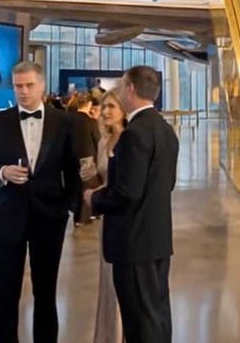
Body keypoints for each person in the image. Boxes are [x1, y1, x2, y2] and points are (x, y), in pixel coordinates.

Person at [0, 61, 81, 343]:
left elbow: (73, 170)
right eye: (18, 86)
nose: (23, 91)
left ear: (42, 85)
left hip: (50, 218)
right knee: (5, 295)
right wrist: (2, 172)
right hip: (7, 219)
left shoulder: (65, 121)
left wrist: (67, 207)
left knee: (46, 293)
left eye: (29, 85)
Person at [86, 66, 179, 343]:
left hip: (134, 244)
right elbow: (167, 183)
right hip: (158, 240)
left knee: (139, 321)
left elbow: (127, 193)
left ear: (129, 89)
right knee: (157, 313)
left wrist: (94, 199)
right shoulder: (165, 130)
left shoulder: (134, 134)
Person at [90, 87, 128, 343]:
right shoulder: (104, 142)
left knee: (123, 281)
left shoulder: (130, 141)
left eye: (111, 106)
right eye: (103, 107)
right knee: (107, 282)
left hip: (126, 222)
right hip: (106, 220)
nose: (105, 112)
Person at [68, 93, 101, 225]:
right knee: (87, 186)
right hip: (87, 157)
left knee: (76, 185)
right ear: (89, 105)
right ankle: (82, 217)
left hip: (71, 156)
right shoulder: (91, 122)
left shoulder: (68, 119)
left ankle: (83, 213)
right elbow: (97, 140)